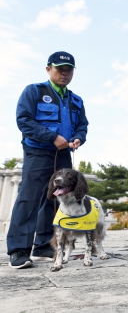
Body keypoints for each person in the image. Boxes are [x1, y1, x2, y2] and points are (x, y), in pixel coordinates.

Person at [8, 51, 88, 269]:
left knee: (55, 200)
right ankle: (18, 250)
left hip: (63, 156)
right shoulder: (34, 91)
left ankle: (44, 244)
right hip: (38, 153)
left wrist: (79, 137)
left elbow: (82, 125)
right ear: (48, 69)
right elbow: (24, 121)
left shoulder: (76, 100)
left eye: (68, 69)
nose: (64, 73)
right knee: (29, 199)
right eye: (59, 68)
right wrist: (52, 137)